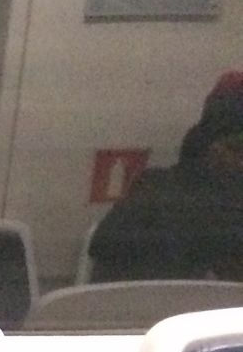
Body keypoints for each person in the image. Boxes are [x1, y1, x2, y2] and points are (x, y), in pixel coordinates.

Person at [89, 71, 243, 283]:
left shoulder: (156, 187)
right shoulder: (157, 193)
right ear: (210, 147)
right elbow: (105, 248)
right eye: (237, 148)